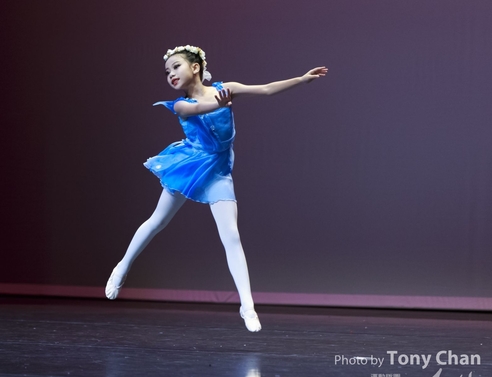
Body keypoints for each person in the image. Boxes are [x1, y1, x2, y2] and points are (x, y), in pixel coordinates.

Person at [106, 45, 328, 332]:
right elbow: (200, 108)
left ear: (195, 67)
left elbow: (266, 89)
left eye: (176, 66)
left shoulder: (226, 89)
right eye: (167, 71)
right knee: (158, 221)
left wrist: (301, 79)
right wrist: (221, 104)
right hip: (189, 165)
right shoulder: (181, 105)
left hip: (218, 172)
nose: (171, 74)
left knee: (231, 236)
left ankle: (247, 305)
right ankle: (122, 266)